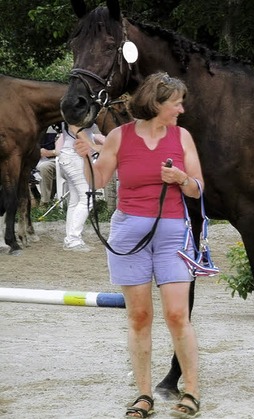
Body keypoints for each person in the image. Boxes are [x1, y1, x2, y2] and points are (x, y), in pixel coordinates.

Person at [73, 72, 204, 418]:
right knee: (139, 317)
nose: (181, 108)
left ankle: (191, 391)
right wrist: (87, 157)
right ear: (157, 103)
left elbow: (199, 189)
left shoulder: (182, 136)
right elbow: (99, 180)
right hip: (129, 234)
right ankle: (144, 395)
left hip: (173, 232)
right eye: (176, 102)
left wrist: (182, 179)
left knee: (178, 314)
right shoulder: (119, 137)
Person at [58, 122, 105, 251]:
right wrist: (93, 146)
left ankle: (70, 238)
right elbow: (74, 126)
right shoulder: (77, 108)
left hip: (69, 156)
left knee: (76, 200)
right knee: (87, 198)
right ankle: (73, 239)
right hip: (75, 157)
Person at [34, 124, 62, 207]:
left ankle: (44, 202)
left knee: (45, 167)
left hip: (64, 159)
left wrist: (50, 153)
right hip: (48, 159)